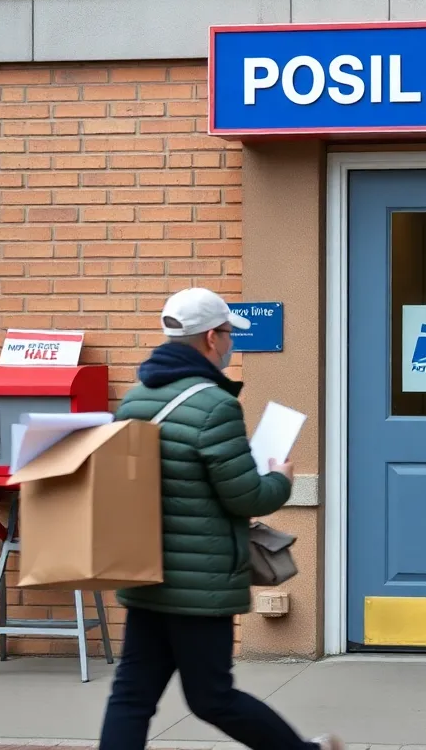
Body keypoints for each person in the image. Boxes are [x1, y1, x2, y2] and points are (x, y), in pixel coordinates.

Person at [98, 287, 342, 750]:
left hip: (145, 569)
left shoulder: (135, 400)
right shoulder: (215, 406)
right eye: (230, 335)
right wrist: (280, 477)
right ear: (212, 337)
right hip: (199, 582)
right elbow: (246, 497)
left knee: (131, 695)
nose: (232, 345)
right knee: (213, 696)